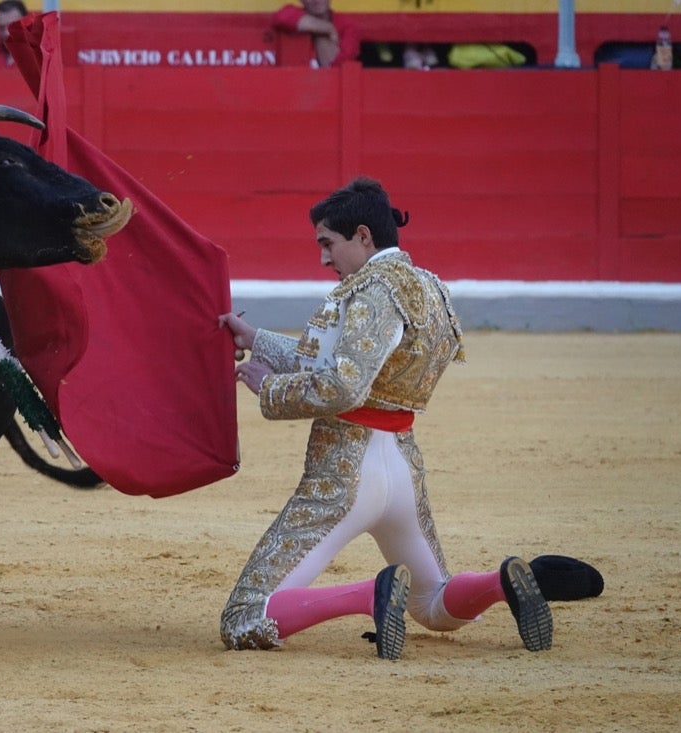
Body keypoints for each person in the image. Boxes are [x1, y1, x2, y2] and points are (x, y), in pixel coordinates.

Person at [217, 177, 603, 658]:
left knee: (244, 618)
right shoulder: (428, 286)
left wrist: (269, 386)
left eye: (327, 243)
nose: (322, 258)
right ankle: (500, 583)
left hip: (343, 472)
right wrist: (256, 338)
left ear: (362, 235)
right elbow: (343, 364)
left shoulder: (372, 292)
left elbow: (344, 385)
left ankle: (367, 595)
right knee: (434, 604)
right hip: (401, 467)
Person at [272, 0, 359, 68]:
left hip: (331, 85)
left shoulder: (347, 25)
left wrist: (319, 32)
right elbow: (281, 17)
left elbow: (342, 64)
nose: (317, 0)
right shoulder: (293, 13)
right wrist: (327, 28)